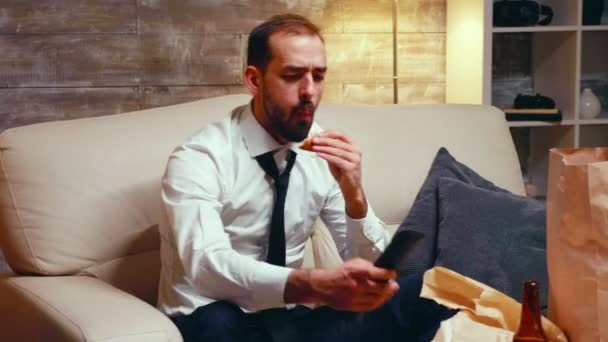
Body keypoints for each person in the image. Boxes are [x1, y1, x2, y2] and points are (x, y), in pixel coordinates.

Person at [158, 13, 456, 342]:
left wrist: (354, 196)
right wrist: (312, 284)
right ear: (254, 80)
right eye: (293, 76)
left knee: (434, 289)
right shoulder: (200, 157)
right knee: (217, 319)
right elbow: (206, 267)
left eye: (319, 76)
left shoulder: (320, 150)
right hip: (217, 318)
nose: (309, 92)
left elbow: (368, 269)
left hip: (294, 322)